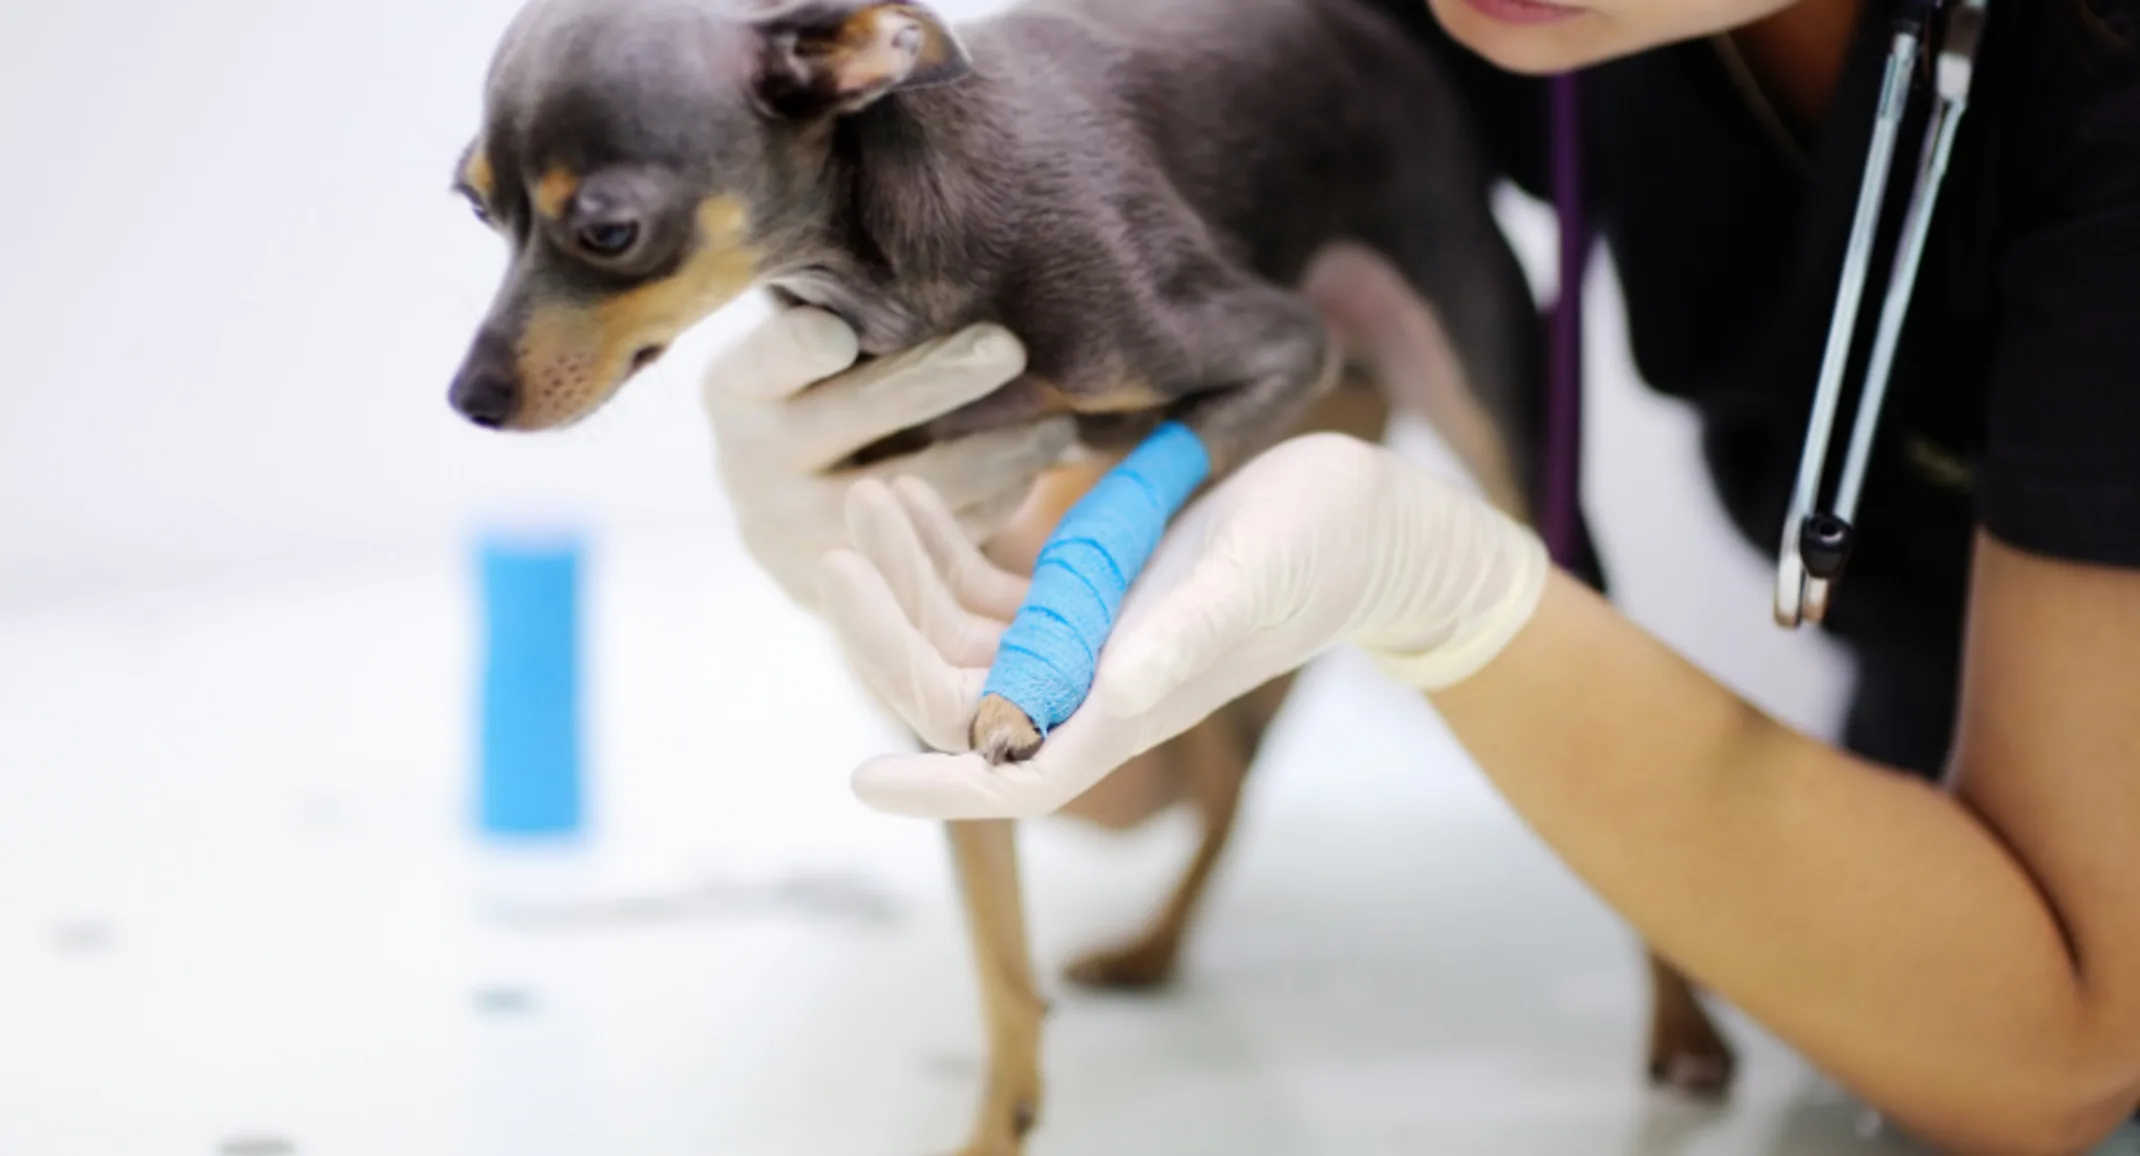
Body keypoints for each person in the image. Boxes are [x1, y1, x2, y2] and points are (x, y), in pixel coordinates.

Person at [698, 0, 2140, 1151]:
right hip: (1892, 878)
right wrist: (904, 542)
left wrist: (1452, 593)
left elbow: (2063, 1057)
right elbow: (1122, 768)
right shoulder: (1499, 23)